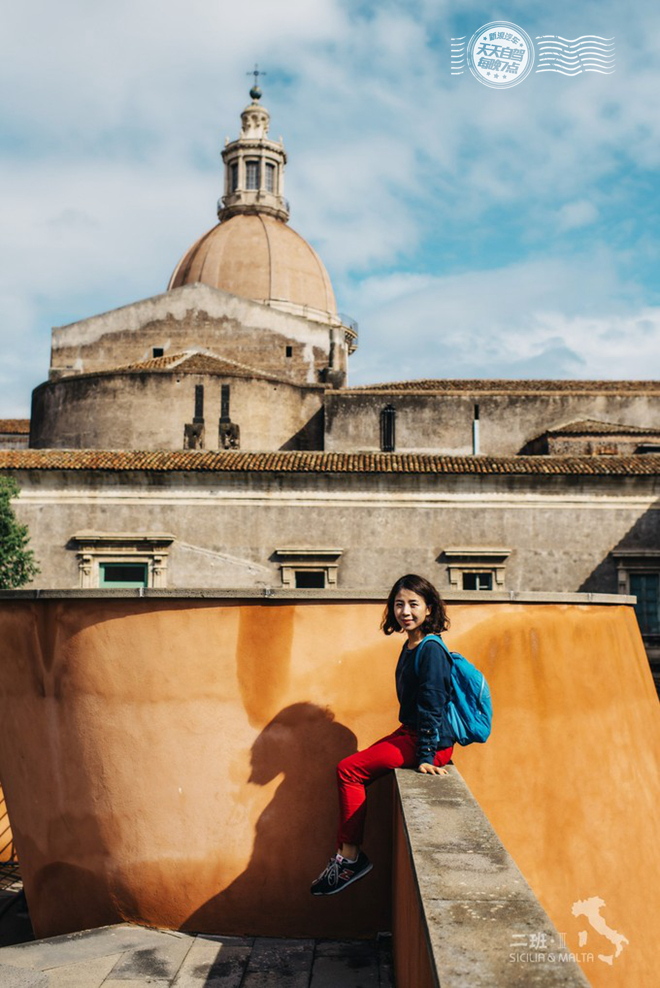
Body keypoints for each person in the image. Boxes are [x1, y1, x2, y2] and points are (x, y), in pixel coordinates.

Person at [311, 573, 454, 896]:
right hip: (412, 731)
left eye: (413, 604)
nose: (405, 611)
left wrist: (427, 756)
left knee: (348, 770)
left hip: (427, 741)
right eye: (399, 604)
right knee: (353, 766)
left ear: (429, 609)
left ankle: (349, 859)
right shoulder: (411, 644)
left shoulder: (430, 650)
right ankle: (343, 856)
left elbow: (433, 703)